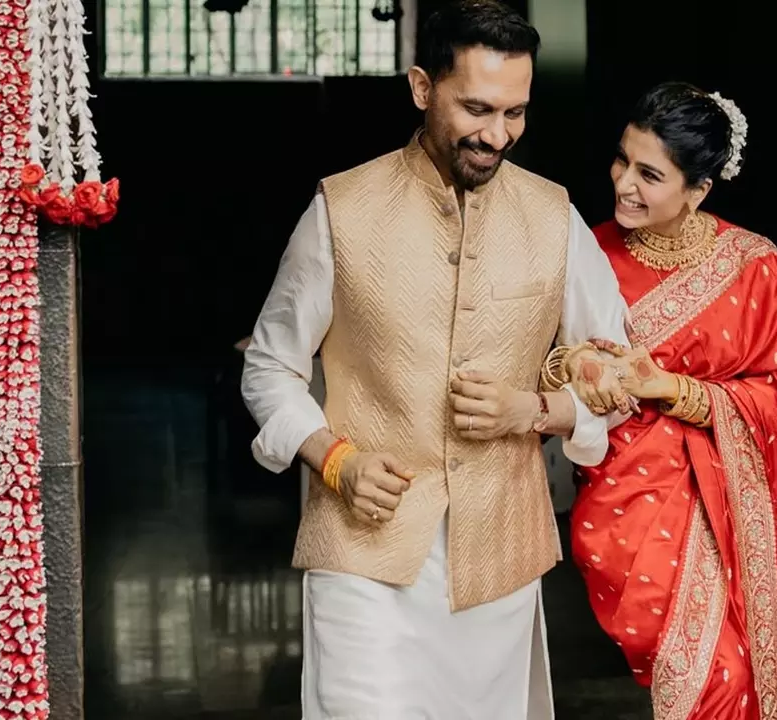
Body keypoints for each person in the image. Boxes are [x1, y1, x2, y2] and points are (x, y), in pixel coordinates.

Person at [239, 2, 631, 717]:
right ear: (423, 88)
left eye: (515, 112)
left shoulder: (555, 218)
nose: (497, 134)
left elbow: (618, 373)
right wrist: (336, 461)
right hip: (362, 556)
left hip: (500, 562)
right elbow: (269, 367)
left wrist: (534, 409)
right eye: (476, 108)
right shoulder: (340, 211)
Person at [546, 82, 777, 719]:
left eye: (649, 175)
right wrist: (577, 365)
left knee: (727, 677)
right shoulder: (587, 255)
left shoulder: (754, 266)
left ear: (698, 190)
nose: (624, 184)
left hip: (735, 507)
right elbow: (542, 363)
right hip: (631, 505)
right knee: (701, 672)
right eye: (622, 160)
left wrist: (670, 388)